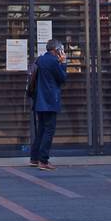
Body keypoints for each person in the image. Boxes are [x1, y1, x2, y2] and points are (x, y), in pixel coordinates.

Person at [29, 39, 67, 170]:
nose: (62, 52)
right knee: (49, 130)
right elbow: (62, 78)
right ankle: (43, 160)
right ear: (56, 50)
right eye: (61, 50)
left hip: (39, 100)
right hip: (50, 100)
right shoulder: (54, 61)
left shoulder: (40, 59)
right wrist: (63, 63)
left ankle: (34, 158)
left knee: (41, 130)